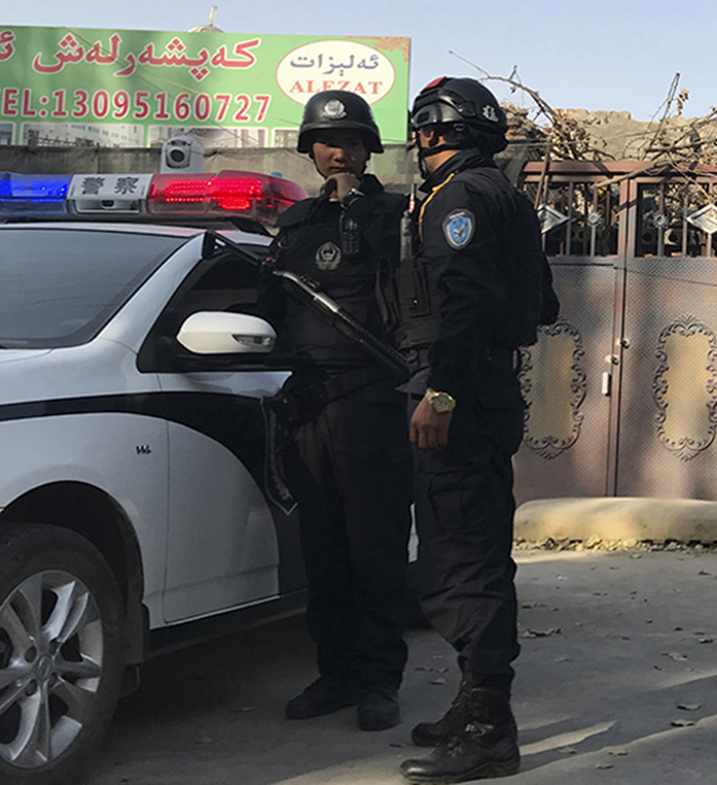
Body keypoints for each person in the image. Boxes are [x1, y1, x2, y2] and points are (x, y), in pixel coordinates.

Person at [396, 76, 557, 783]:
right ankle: (475, 703)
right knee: (480, 550)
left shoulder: (455, 198)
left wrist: (441, 391)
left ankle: (489, 727)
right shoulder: (503, 194)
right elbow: (542, 301)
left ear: (433, 131)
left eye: (422, 130)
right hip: (491, 388)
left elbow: (461, 300)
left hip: (462, 395)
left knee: (459, 563)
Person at [261, 90, 413, 732]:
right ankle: (336, 674)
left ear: (368, 148)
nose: (339, 152)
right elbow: (270, 309)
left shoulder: (396, 215)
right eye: (328, 142)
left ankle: (379, 681)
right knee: (322, 550)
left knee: (375, 549)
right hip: (309, 406)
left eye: (351, 141)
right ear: (310, 150)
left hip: (374, 402)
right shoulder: (296, 224)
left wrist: (357, 205)